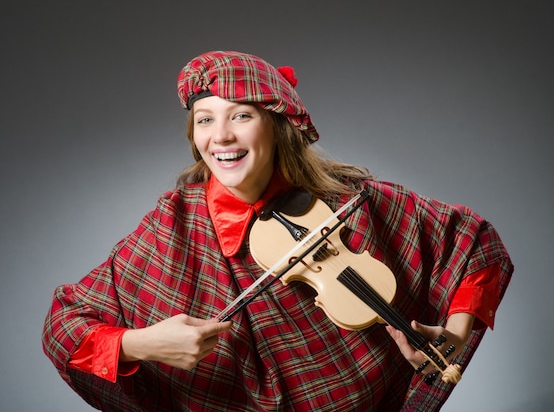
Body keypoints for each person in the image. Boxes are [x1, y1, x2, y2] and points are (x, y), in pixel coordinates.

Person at [42, 50, 513, 411]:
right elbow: (64, 328)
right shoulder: (172, 227)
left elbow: (475, 243)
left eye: (241, 115)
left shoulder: (348, 197)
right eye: (205, 120)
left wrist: (452, 334)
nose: (220, 136)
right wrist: (143, 343)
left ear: (278, 126)